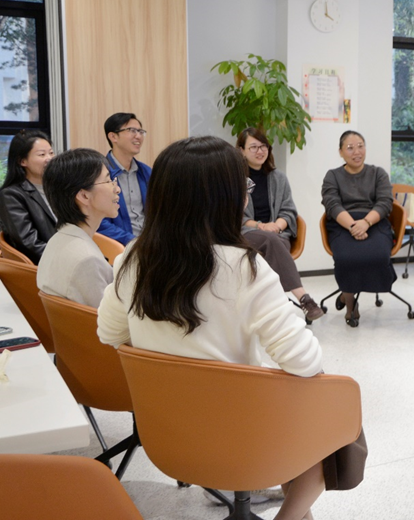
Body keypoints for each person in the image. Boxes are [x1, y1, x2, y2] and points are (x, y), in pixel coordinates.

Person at [97, 137, 336, 519]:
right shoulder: (246, 268)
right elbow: (305, 363)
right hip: (237, 436)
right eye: (243, 186)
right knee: (338, 416)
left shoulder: (132, 258)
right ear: (226, 198)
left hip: (164, 433)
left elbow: (109, 334)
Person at [238, 128, 323, 322]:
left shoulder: (279, 178)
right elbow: (235, 215)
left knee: (274, 242)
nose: (260, 151)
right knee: (271, 240)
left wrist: (276, 225)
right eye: (253, 147)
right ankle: (303, 297)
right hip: (247, 233)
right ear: (242, 151)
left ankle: (269, 308)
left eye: (263, 146)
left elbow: (289, 210)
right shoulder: (236, 179)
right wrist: (261, 226)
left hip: (278, 233)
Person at [321, 130, 395, 324]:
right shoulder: (333, 176)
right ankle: (350, 304)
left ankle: (345, 292)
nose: (357, 152)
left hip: (373, 221)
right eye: (350, 148)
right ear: (340, 152)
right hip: (343, 223)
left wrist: (366, 223)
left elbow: (385, 202)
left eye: (360, 146)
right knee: (346, 258)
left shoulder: (378, 173)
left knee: (379, 256)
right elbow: (332, 204)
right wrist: (354, 226)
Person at [37, 149, 119, 308]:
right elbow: (107, 319)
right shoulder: (87, 261)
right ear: (84, 196)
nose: (117, 189)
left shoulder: (58, 239)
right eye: (108, 181)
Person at [0, 130, 56, 263]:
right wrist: (66, 259)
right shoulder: (11, 195)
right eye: (42, 154)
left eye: (51, 153)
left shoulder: (58, 188)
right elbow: (29, 243)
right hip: (45, 264)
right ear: (22, 161)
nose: (49, 158)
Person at [96, 112, 151, 245]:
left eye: (140, 131)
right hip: (120, 247)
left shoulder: (147, 172)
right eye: (132, 130)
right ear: (113, 136)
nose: (138, 136)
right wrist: (132, 241)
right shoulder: (99, 174)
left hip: (150, 244)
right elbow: (98, 221)